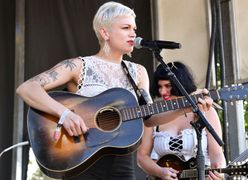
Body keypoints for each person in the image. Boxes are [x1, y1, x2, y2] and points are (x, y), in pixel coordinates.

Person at [16, 2, 215, 179]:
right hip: (81, 162)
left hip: (122, 166)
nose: (133, 34)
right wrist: (65, 114)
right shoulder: (78, 66)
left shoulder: (138, 72)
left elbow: (149, 117)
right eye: (126, 28)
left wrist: (186, 106)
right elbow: (27, 88)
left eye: (134, 29)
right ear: (105, 33)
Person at [137, 61, 226, 180]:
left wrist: (219, 172)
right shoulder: (154, 115)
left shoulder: (206, 111)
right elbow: (141, 157)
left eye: (168, 86)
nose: (162, 92)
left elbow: (216, 153)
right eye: (160, 86)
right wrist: (160, 172)